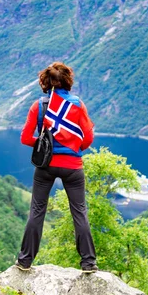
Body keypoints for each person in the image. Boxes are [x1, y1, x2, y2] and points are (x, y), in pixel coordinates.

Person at [16, 62, 98, 273]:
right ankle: (88, 262)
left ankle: (25, 261)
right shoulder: (78, 104)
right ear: (68, 80)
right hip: (73, 167)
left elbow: (26, 138)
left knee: (36, 211)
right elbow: (88, 137)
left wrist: (43, 143)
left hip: (46, 166)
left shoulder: (39, 105)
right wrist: (74, 148)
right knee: (79, 212)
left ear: (47, 81)